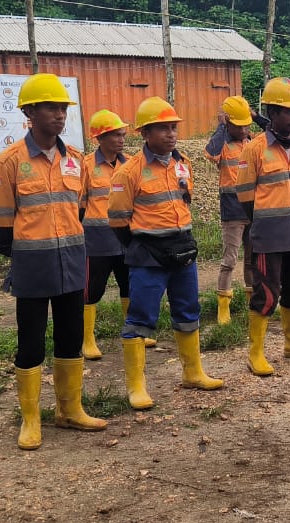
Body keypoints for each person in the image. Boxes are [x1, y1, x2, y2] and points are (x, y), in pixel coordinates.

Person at [0, 73, 106, 449]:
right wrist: (26, 252)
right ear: (29, 112)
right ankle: (31, 417)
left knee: (71, 338)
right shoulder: (9, 162)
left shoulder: (75, 161)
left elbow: (81, 208)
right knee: (31, 342)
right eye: (51, 108)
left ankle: (69, 409)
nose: (59, 115)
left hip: (71, 261)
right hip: (32, 266)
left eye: (62, 108)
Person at [108, 96, 223, 409]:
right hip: (148, 255)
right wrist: (140, 246)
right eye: (163, 129)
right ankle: (136, 387)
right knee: (140, 318)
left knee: (188, 311)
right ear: (145, 133)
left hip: (182, 249)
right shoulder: (129, 172)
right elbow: (118, 220)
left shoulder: (182, 162)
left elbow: (186, 199)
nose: (171, 134)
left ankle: (193, 373)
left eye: (173, 128)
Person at [235, 77, 290, 375]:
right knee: (266, 293)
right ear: (272, 113)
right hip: (268, 236)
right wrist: (265, 222)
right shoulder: (255, 149)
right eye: (288, 111)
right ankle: (256, 353)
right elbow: (245, 196)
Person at [79, 108, 143, 360]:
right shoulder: (86, 166)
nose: (121, 139)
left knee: (130, 286)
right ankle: (87, 339)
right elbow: (79, 205)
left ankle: (134, 331)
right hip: (96, 241)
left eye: (122, 134)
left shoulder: (130, 165)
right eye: (115, 134)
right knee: (91, 290)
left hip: (126, 239)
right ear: (100, 137)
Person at [203, 96, 257, 325]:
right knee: (230, 260)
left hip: (253, 209)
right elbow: (210, 152)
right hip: (232, 211)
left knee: (252, 258)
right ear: (228, 124)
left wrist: (256, 117)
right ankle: (223, 306)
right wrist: (221, 126)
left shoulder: (252, 142)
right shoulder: (222, 144)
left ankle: (252, 301)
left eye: (247, 125)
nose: (244, 129)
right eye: (239, 125)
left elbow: (272, 132)